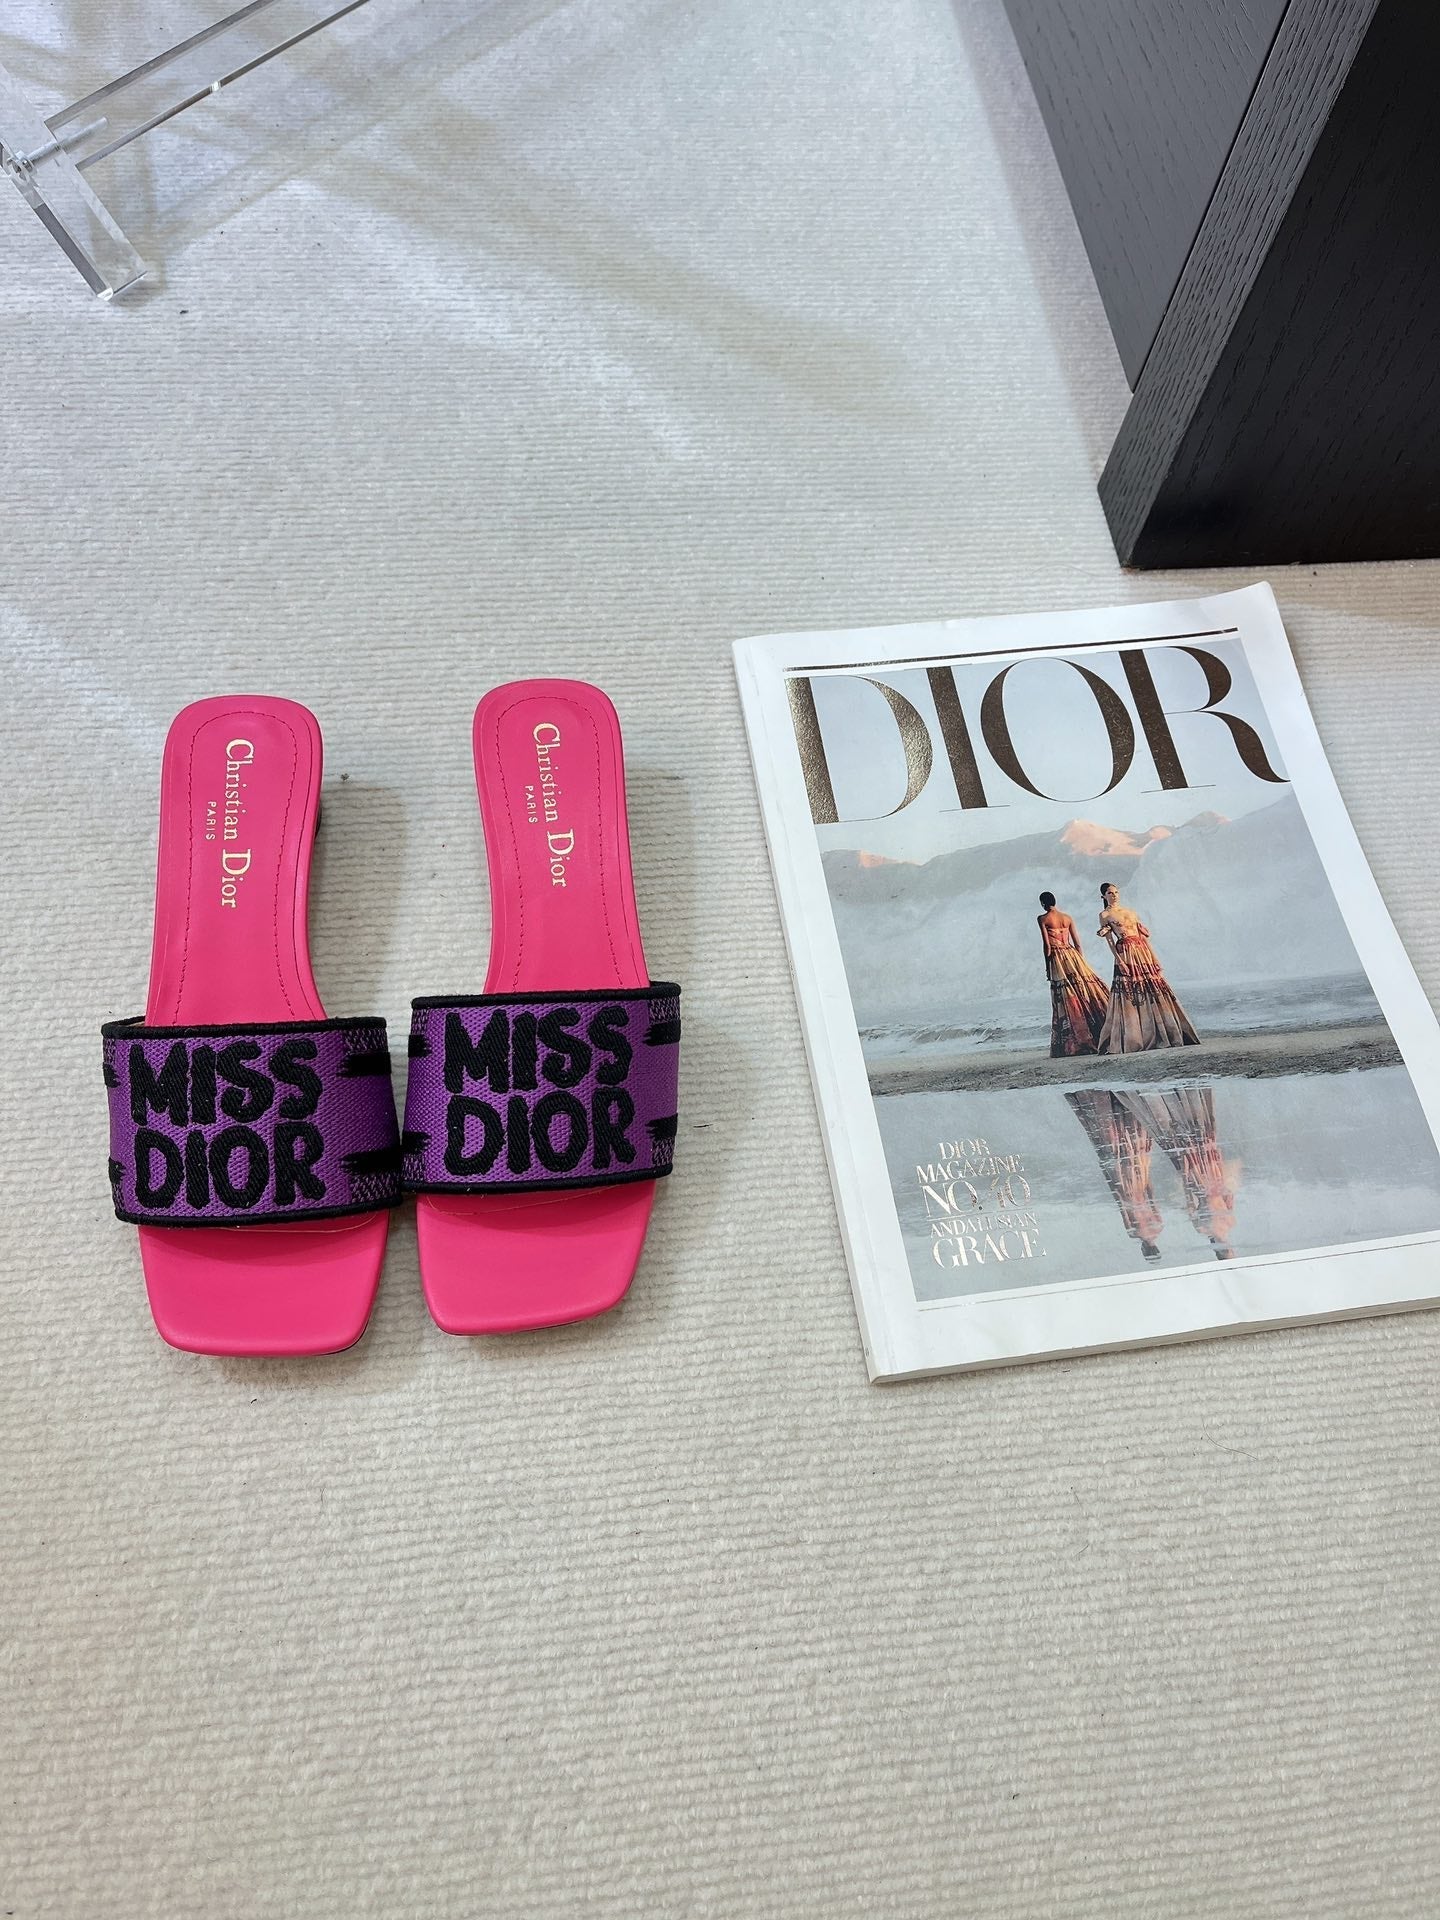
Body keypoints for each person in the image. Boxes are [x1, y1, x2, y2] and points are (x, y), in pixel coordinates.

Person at [1095, 882, 1199, 1053]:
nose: (1114, 895)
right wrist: (1120, 961)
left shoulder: (1130, 912)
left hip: (1142, 950)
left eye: (1116, 892)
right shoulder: (1105, 915)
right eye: (1110, 893)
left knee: (1152, 988)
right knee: (1131, 993)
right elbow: (1110, 941)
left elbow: (1143, 937)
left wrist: (1154, 958)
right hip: (1125, 952)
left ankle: (1164, 1031)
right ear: (1103, 896)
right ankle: (1137, 1036)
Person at [1037, 891, 1108, 1057]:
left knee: (1065, 995)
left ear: (1043, 903)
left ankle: (1077, 1038)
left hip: (1058, 957)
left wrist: (1047, 965)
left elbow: (1047, 945)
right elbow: (1077, 943)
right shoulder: (1067, 917)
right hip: (1072, 955)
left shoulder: (1043, 918)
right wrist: (1081, 962)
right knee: (1083, 990)